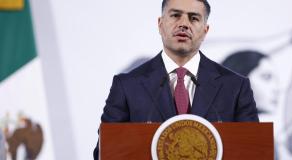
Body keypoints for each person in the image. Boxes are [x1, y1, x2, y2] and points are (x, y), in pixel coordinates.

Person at [94, 0, 259, 159]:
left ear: (205, 30)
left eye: (194, 18)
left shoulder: (235, 86)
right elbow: (103, 153)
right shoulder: (127, 85)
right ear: (160, 24)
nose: (184, 24)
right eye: (175, 15)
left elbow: (254, 153)